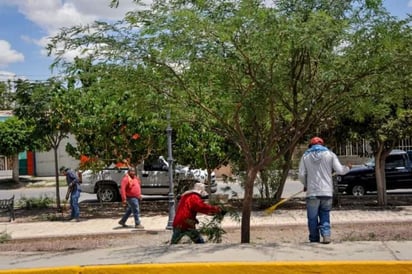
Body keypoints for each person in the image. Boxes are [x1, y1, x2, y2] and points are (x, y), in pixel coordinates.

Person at [298, 137, 351, 244]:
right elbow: (340, 170)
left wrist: (306, 184)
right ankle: (326, 235)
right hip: (326, 192)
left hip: (312, 192)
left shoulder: (305, 156)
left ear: (310, 145)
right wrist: (348, 168)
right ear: (322, 144)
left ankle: (314, 238)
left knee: (312, 218)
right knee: (325, 214)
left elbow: (301, 175)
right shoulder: (330, 154)